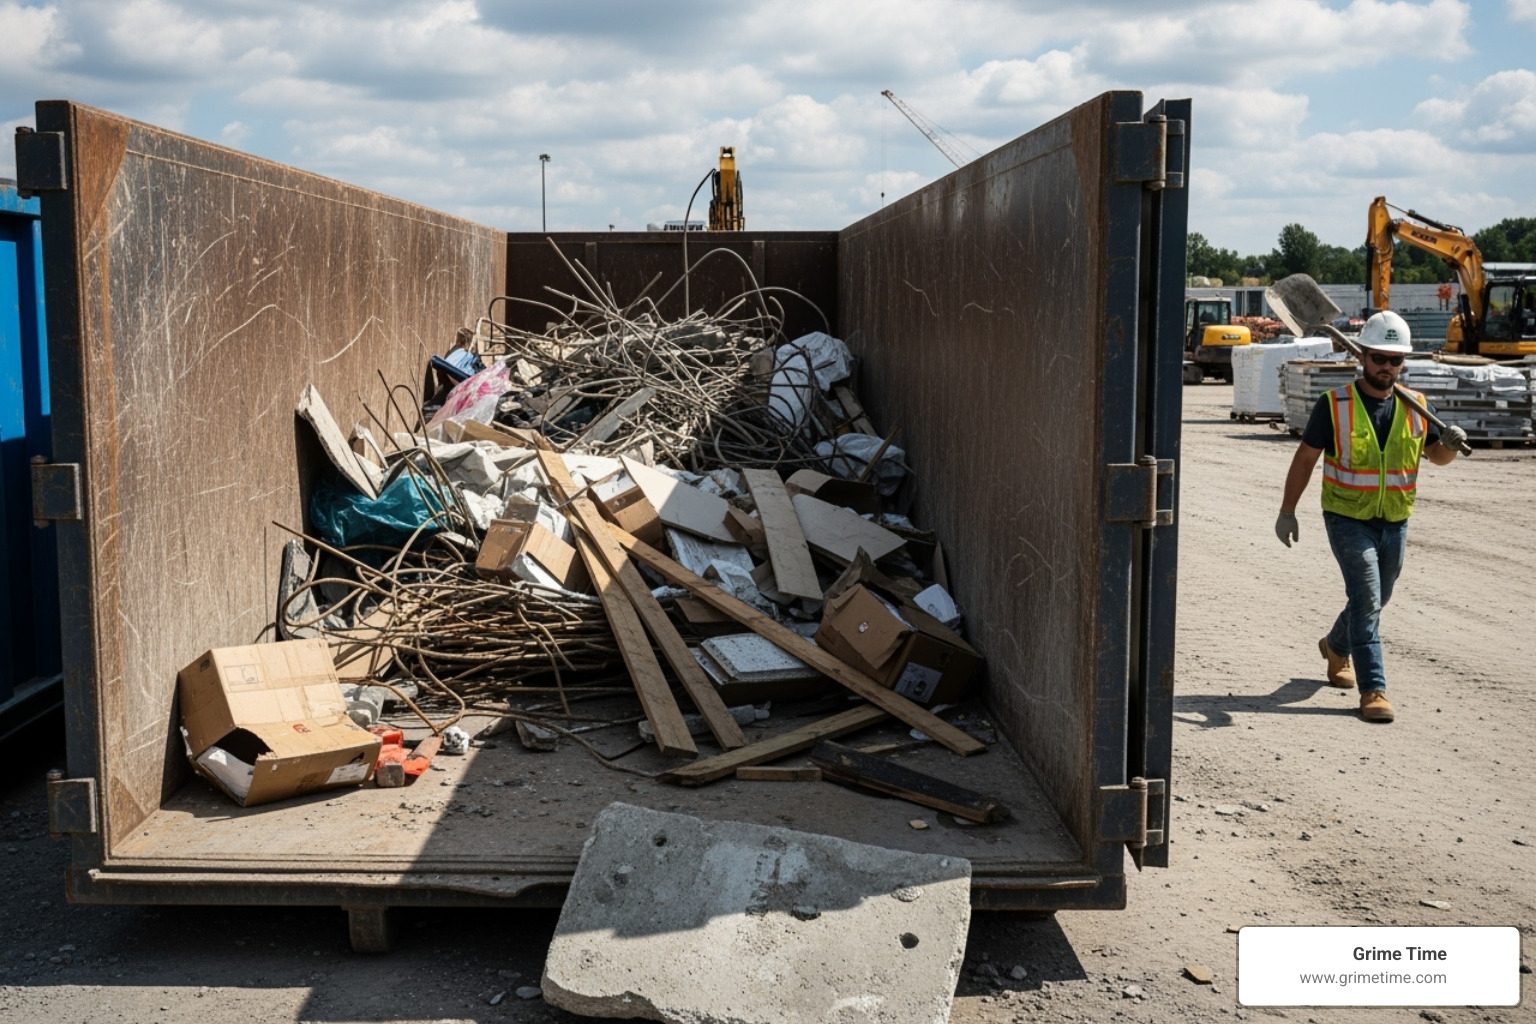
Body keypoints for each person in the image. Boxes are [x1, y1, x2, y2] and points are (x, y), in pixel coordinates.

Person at [1273, 310, 1467, 723]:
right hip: (1346, 517)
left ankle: (1336, 645)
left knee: (1377, 599)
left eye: (1395, 360)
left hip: (1395, 519)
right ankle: (1373, 689)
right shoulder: (1334, 405)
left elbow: (1437, 457)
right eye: (1379, 358)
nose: (1387, 367)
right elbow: (1305, 459)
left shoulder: (1418, 406)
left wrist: (1449, 444)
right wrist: (1287, 511)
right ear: (1362, 356)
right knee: (1367, 597)